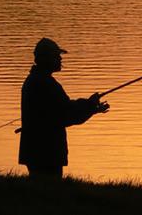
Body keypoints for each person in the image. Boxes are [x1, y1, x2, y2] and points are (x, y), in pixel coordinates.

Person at [18, 38, 109, 178]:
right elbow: (66, 114)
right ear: (46, 58)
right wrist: (90, 105)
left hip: (36, 149)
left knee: (39, 193)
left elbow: (63, 110)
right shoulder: (46, 84)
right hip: (46, 150)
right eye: (56, 56)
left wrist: (91, 107)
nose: (60, 59)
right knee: (49, 193)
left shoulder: (35, 80)